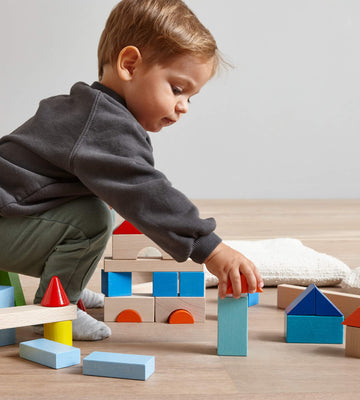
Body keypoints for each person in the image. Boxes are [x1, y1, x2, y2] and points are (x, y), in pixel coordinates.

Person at [0, 0, 263, 340]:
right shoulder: (104, 125)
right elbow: (146, 194)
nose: (183, 107)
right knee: (91, 219)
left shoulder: (90, 112)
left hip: (10, 217)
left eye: (191, 97)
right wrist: (210, 247)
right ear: (129, 64)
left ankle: (68, 288)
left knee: (101, 210)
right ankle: (56, 311)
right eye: (178, 89)